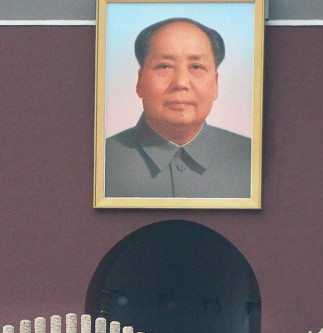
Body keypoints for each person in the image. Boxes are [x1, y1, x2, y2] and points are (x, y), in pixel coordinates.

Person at [103, 17, 251, 199]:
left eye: (196, 67)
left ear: (215, 83)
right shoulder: (102, 160)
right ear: (140, 82)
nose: (180, 83)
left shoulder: (251, 157)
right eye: (165, 66)